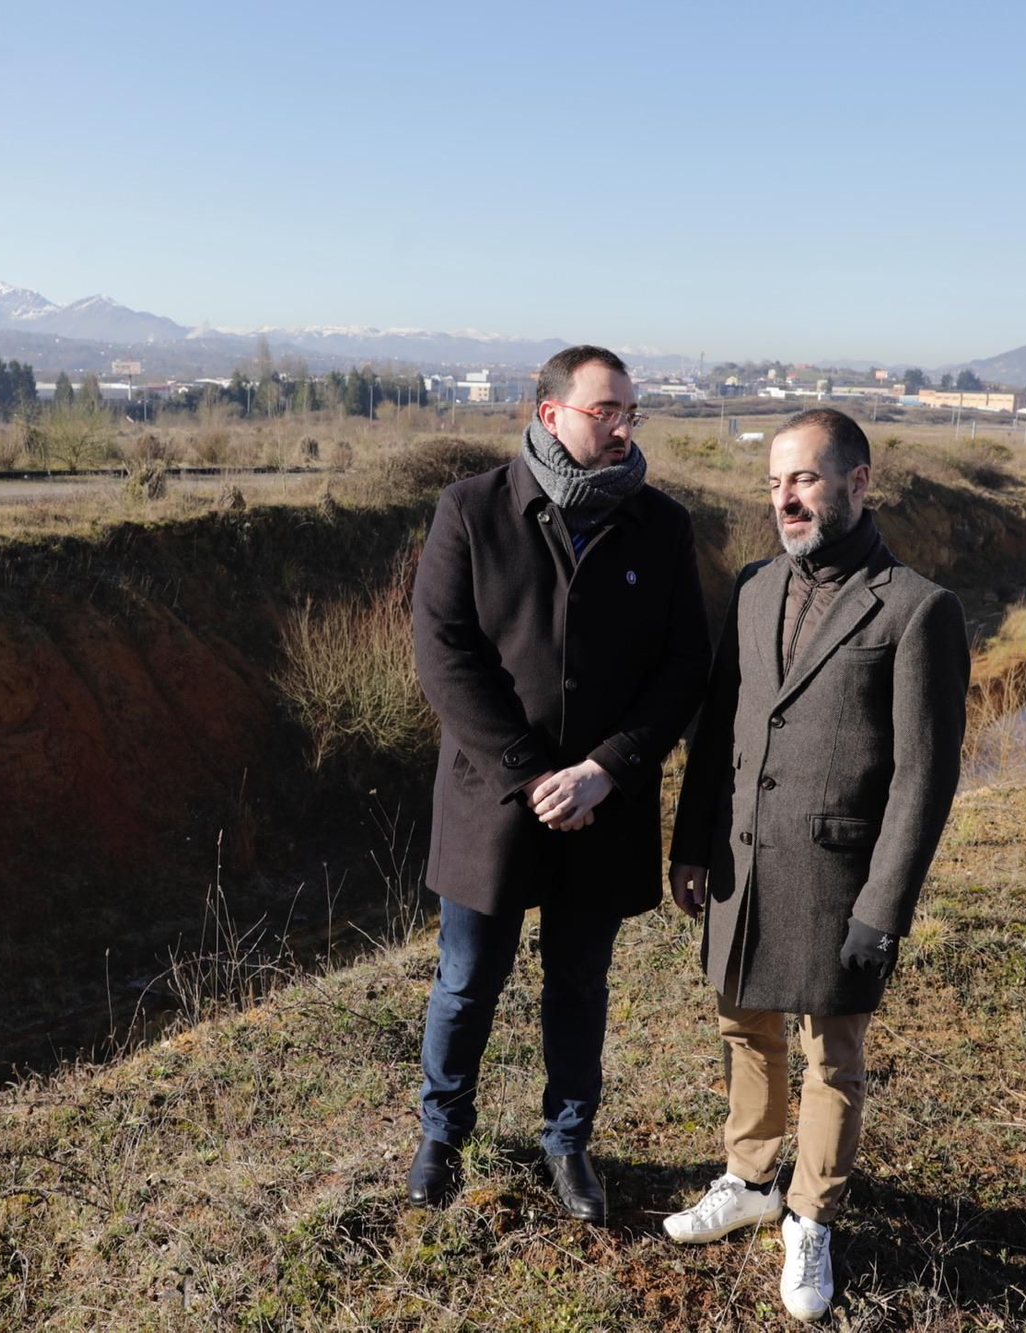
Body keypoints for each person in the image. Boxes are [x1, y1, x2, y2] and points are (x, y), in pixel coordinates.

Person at [663, 407, 969, 1321]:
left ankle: (812, 1214)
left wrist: (887, 905)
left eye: (802, 478)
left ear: (858, 483)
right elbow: (716, 729)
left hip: (840, 878)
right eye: (774, 483)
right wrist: (688, 842)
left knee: (831, 1055)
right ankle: (752, 1175)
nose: (784, 498)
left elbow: (926, 774)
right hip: (742, 863)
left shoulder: (917, 608)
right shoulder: (756, 588)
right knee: (741, 1021)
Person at [406, 344, 709, 1224]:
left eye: (629, 412)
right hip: (493, 802)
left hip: (604, 809)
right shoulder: (470, 511)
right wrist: (532, 771)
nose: (622, 426)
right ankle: (442, 1132)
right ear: (549, 415)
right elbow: (444, 655)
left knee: (579, 982)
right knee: (467, 982)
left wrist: (607, 769)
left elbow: (684, 664)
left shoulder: (661, 525)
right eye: (603, 410)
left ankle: (568, 1140)